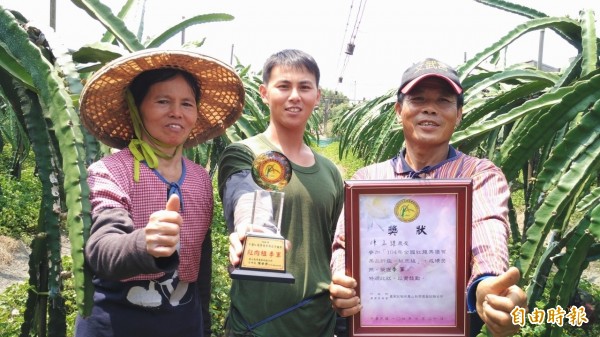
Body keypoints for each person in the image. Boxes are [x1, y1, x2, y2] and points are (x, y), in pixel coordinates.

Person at [329, 58, 527, 337]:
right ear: (399, 111)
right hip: (375, 323)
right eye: (418, 99)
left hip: (445, 325)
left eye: (444, 101)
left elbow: (488, 227)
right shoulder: (367, 180)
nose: (430, 108)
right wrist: (342, 280)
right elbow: (343, 245)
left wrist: (487, 285)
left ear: (459, 114)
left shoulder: (479, 175)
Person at [75, 49, 245, 337]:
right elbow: (101, 247)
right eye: (162, 101)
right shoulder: (110, 171)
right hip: (115, 324)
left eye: (187, 103)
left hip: (183, 322)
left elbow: (200, 268)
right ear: (136, 108)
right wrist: (143, 242)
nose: (176, 112)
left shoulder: (200, 178)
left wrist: (203, 325)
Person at [217, 49, 344, 337]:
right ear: (264, 93)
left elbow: (339, 245)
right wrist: (252, 229)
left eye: (304, 87)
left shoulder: (330, 171)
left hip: (319, 324)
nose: (295, 96)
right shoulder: (244, 154)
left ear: (317, 95)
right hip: (257, 326)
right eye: (284, 86)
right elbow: (245, 196)